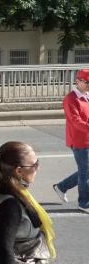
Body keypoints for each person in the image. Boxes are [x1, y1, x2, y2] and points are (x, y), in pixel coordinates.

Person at [53, 69, 89, 213]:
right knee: (85, 173)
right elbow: (75, 121)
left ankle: (62, 187)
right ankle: (84, 203)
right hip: (79, 140)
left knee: (85, 171)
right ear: (78, 81)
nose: (88, 86)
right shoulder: (71, 99)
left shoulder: (86, 96)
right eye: (87, 82)